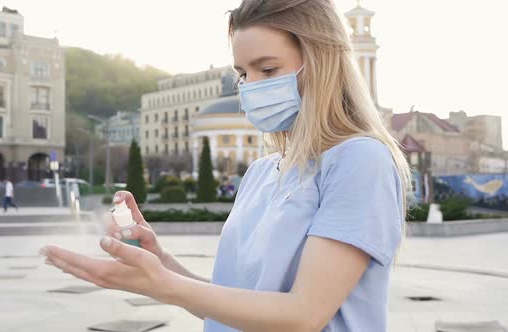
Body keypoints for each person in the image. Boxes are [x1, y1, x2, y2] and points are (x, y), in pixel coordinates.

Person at [40, 1, 414, 331]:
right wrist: (161, 264)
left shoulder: (360, 160)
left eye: (266, 70)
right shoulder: (262, 173)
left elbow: (303, 315)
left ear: (322, 63)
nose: (249, 86)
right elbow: (237, 306)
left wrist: (161, 284)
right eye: (242, 73)